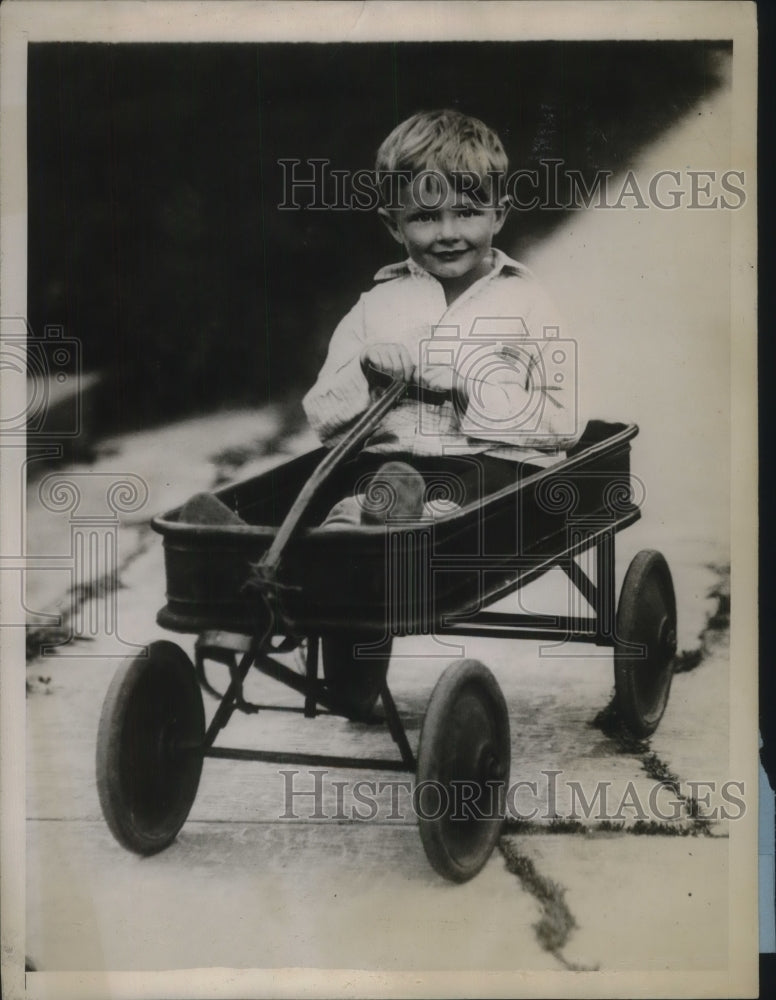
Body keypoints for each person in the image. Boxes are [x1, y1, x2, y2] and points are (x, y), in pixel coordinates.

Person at [301, 108, 581, 527]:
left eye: (466, 212)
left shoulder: (527, 303)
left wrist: (468, 388)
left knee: (493, 483)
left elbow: (566, 422)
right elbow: (324, 421)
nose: (447, 232)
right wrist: (366, 371)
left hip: (487, 465)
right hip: (390, 468)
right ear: (394, 225)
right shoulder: (374, 307)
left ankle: (420, 521)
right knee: (341, 481)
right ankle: (320, 530)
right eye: (425, 216)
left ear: (498, 215)